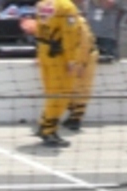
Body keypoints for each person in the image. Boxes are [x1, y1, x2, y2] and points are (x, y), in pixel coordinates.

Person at [33, 0, 86, 148]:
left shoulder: (44, 3)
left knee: (51, 93)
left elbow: (39, 28)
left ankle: (44, 124)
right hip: (58, 55)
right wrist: (71, 60)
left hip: (44, 51)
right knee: (61, 95)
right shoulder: (67, 7)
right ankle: (49, 130)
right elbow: (70, 35)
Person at [63, 8, 98, 131]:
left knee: (82, 88)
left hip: (86, 57)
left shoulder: (79, 22)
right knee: (70, 88)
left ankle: (76, 119)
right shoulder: (66, 22)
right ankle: (72, 114)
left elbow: (84, 44)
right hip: (74, 58)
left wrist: (82, 64)